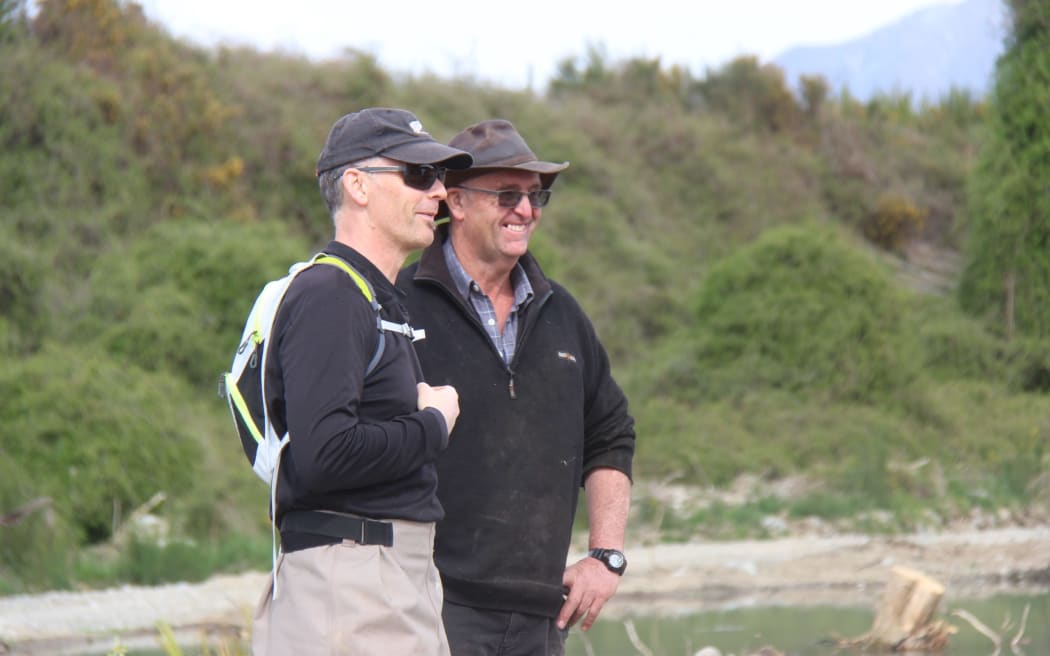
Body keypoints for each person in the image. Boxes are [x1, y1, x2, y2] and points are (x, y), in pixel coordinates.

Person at [396, 119, 636, 655]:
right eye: (507, 195)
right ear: (455, 203)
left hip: (542, 618)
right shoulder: (398, 304)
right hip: (431, 608)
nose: (525, 211)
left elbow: (611, 434)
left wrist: (606, 555)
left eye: (535, 195)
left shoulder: (563, 312)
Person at [252, 107, 472, 656]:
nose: (439, 192)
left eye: (440, 177)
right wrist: (432, 424)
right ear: (358, 186)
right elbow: (327, 453)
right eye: (419, 175)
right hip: (351, 586)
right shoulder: (331, 295)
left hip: (381, 579)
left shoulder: (369, 295)